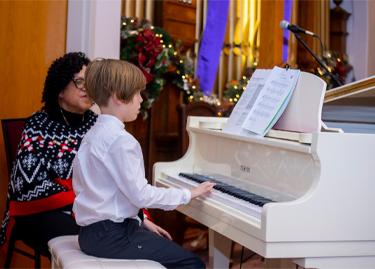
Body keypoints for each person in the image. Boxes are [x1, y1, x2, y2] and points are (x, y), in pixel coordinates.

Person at [73, 58, 216, 269]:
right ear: (117, 97)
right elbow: (141, 195)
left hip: (90, 234)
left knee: (164, 244)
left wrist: (140, 221)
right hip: (113, 236)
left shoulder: (92, 134)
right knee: (192, 263)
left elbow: (105, 192)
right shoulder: (121, 141)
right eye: (138, 93)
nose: (141, 100)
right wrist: (189, 194)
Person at [0, 52, 97, 258]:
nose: (87, 87)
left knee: (116, 238)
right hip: (43, 209)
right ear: (61, 89)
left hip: (93, 209)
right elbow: (27, 185)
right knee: (88, 244)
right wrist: (82, 201)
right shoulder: (38, 125)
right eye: (79, 81)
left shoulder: (98, 126)